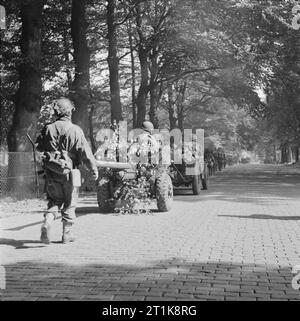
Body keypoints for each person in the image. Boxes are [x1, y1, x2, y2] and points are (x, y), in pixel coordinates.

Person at [36, 98, 98, 244]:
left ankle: (47, 222)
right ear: (69, 112)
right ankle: (66, 235)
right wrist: (93, 168)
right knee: (70, 203)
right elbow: (85, 153)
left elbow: (39, 147)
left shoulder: (48, 128)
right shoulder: (76, 130)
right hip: (70, 172)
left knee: (54, 201)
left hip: (51, 171)